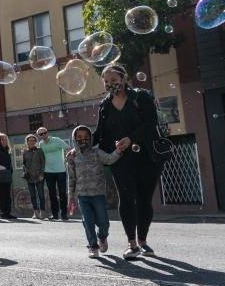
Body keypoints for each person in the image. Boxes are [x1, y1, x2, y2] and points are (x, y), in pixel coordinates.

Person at [92, 63, 163, 260]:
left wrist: (130, 138)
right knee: (126, 197)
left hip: (147, 156)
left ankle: (143, 240)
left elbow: (151, 123)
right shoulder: (105, 105)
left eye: (113, 80)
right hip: (120, 158)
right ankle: (132, 244)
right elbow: (100, 133)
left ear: (124, 79)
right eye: (106, 81)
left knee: (144, 199)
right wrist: (80, 146)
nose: (110, 84)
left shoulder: (141, 97)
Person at [66, 124, 125, 258]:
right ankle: (93, 246)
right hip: (82, 196)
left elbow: (109, 159)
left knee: (104, 222)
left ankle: (102, 237)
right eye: (79, 137)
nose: (83, 139)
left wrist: (118, 150)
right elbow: (71, 178)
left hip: (98, 194)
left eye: (86, 137)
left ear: (90, 138)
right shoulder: (72, 157)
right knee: (88, 222)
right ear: (74, 139)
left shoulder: (96, 152)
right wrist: (71, 197)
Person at [36, 126, 69, 221]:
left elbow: (68, 148)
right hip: (48, 171)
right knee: (52, 194)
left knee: (62, 193)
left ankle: (64, 215)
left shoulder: (56, 140)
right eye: (41, 134)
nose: (43, 135)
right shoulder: (41, 144)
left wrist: (66, 159)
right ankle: (55, 215)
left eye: (44, 132)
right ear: (39, 136)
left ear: (47, 132)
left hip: (61, 170)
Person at [21, 133, 47, 219]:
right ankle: (35, 213)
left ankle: (42, 212)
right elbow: (23, 164)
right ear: (27, 142)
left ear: (35, 142)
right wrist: (25, 171)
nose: (31, 142)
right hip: (30, 177)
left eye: (33, 140)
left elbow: (43, 163)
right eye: (30, 140)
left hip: (39, 176)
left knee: (41, 195)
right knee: (32, 195)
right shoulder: (25, 152)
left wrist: (42, 174)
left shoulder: (39, 150)